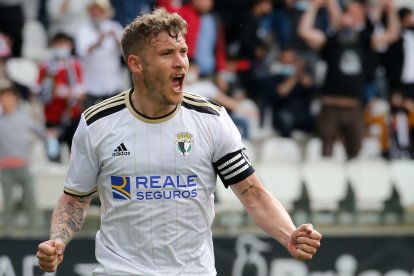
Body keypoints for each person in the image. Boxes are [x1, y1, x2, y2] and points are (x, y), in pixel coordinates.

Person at [36, 8, 322, 275]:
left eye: (183, 51)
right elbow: (75, 197)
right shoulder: (97, 123)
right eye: (167, 53)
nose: (180, 61)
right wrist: (57, 241)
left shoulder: (211, 119)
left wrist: (289, 235)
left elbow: (252, 192)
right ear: (136, 64)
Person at [298, 0, 399, 159]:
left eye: (355, 13)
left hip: (354, 107)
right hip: (330, 105)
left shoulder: (365, 41)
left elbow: (392, 35)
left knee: (356, 150)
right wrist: (314, 7)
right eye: (348, 12)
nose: (350, 17)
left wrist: (391, 10)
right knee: (326, 151)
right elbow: (304, 31)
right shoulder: (332, 40)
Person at [0, 81, 46, 236]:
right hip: (5, 167)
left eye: (8, 98)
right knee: (8, 203)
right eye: (3, 98)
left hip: (23, 165)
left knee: (30, 200)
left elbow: (42, 133)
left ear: (15, 99)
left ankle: (34, 235)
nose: (5, 101)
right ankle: (8, 235)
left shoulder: (25, 118)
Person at [32, 32, 86, 161]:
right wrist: (48, 90)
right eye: (58, 44)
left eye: (64, 44)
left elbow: (82, 92)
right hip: (52, 118)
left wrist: (66, 92)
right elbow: (36, 91)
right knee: (52, 153)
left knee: (75, 156)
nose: (61, 47)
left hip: (71, 116)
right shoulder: (46, 66)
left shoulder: (75, 65)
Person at [74, 0, 125, 109]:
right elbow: (82, 52)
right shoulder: (83, 29)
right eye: (93, 10)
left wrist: (115, 38)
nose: (96, 12)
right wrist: (98, 41)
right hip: (90, 86)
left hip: (112, 85)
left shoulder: (115, 27)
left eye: (99, 10)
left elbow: (124, 51)